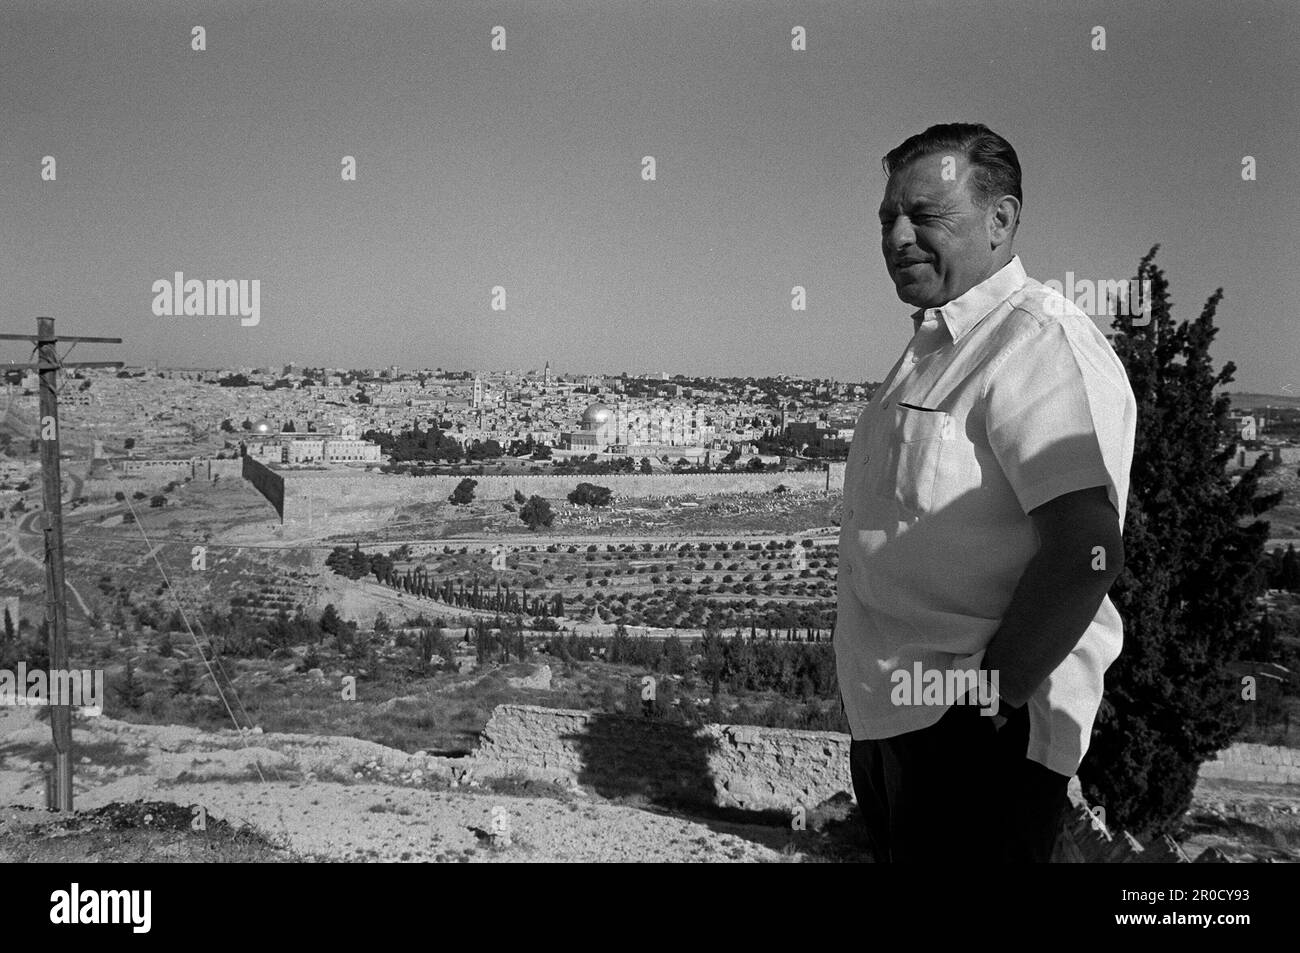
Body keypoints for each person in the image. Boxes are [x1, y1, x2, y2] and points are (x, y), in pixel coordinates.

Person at [834, 123, 1137, 863]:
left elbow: (1088, 549)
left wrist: (985, 704)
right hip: (899, 731)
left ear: (1001, 220)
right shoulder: (931, 351)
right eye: (887, 219)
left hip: (973, 747)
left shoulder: (1035, 341)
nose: (898, 236)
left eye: (926, 216)